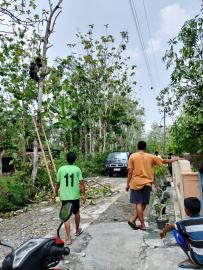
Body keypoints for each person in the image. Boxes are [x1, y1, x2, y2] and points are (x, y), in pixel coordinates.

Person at [126, 141, 179, 231]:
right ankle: (135, 221)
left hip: (135, 183)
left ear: (137, 147)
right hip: (147, 183)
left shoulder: (132, 156)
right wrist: (176, 159)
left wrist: (127, 184)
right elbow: (163, 161)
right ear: (145, 148)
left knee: (138, 203)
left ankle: (138, 222)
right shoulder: (150, 156)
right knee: (143, 204)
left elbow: (130, 172)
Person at [160, 197, 203, 269]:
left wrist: (163, 231)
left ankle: (192, 260)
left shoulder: (184, 222)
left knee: (176, 231)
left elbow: (171, 226)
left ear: (187, 210)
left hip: (199, 260)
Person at [55, 152, 86, 245]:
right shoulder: (77, 169)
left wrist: (55, 193)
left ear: (66, 159)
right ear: (74, 160)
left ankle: (68, 238)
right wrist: (84, 194)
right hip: (75, 196)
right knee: (76, 212)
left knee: (66, 217)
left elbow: (57, 183)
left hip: (65, 197)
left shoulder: (61, 169)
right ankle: (77, 230)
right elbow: (81, 183)